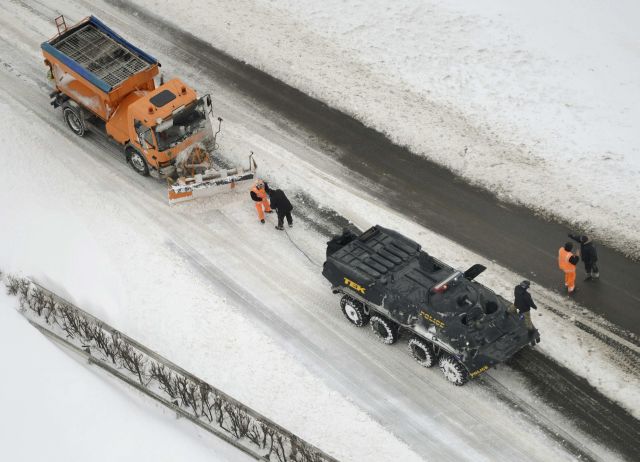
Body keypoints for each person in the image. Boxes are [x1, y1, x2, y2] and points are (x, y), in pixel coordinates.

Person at [513, 280, 540, 344]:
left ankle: (507, 312)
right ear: (526, 287)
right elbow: (530, 303)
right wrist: (534, 307)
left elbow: (516, 295)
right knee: (527, 320)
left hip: (517, 303)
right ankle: (530, 331)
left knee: (512, 308)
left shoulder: (516, 288)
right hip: (524, 309)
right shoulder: (527, 295)